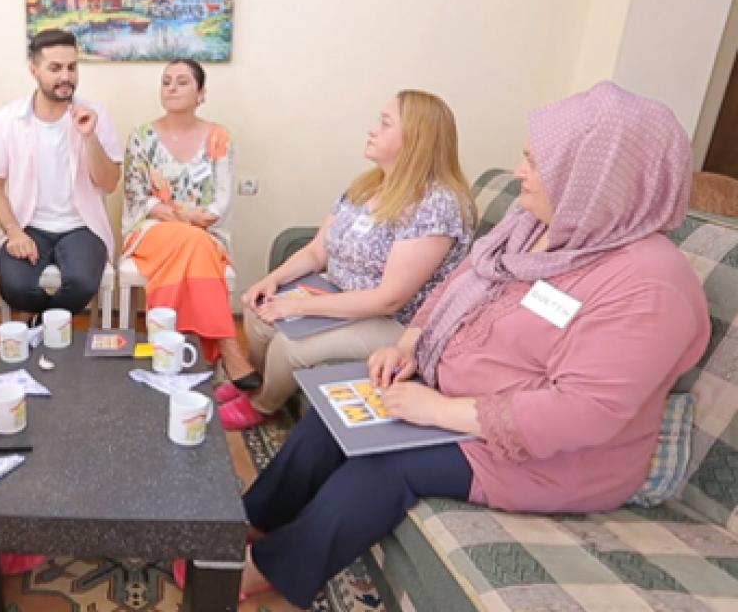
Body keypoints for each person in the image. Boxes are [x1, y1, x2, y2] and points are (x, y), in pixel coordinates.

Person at [239, 82, 710, 608]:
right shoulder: (531, 224)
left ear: (597, 180)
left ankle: (265, 570)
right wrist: (409, 345)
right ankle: (252, 521)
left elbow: (583, 414)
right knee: (333, 414)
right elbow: (454, 284)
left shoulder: (649, 284)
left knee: (382, 467)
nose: (519, 171)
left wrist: (438, 410)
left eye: (536, 162)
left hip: (545, 454)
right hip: (453, 397)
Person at [222, 90, 475, 430]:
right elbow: (317, 250)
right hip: (336, 291)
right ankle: (259, 383)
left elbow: (389, 299)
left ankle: (265, 404)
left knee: (290, 344)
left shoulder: (437, 204)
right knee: (257, 313)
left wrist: (298, 307)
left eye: (385, 123)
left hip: (396, 321)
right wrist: (272, 280)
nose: (372, 129)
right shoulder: (368, 185)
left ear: (416, 139)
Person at [0, 29, 122, 317]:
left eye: (72, 67)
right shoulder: (8, 119)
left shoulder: (95, 115)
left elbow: (110, 183)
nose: (66, 77)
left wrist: (89, 137)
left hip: (82, 226)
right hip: (28, 224)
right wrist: (14, 232)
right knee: (14, 287)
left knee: (81, 283)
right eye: (55, 68)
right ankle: (51, 332)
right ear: (34, 70)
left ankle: (37, 332)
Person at [123, 59, 243, 368]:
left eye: (182, 82)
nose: (172, 88)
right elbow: (136, 196)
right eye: (166, 82)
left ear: (201, 94)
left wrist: (195, 218)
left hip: (206, 231)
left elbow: (222, 200)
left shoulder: (218, 136)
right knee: (192, 240)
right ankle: (226, 348)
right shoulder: (141, 136)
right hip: (151, 230)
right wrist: (186, 217)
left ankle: (164, 346)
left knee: (193, 242)